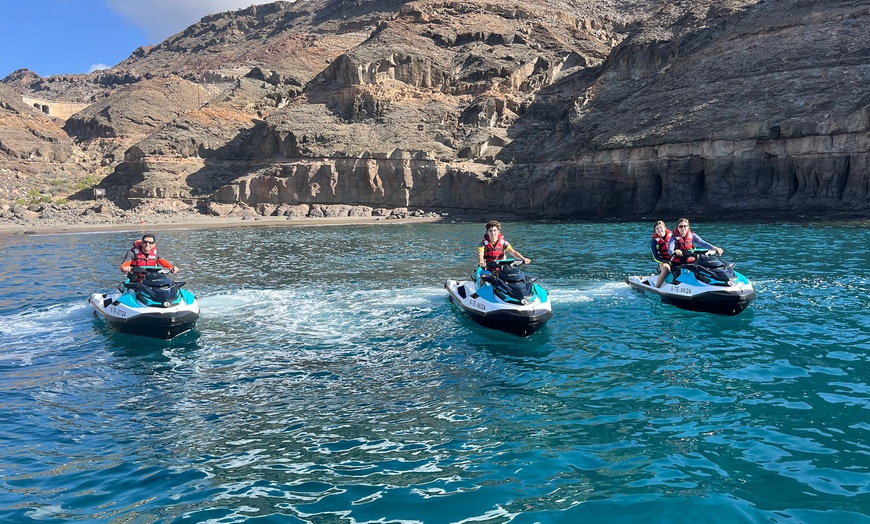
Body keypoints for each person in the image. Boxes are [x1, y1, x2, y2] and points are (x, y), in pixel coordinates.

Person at [649, 220, 672, 288]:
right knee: (666, 269)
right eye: (657, 228)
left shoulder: (672, 238)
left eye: (661, 227)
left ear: (665, 228)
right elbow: (655, 257)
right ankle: (657, 287)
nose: (659, 230)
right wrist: (666, 261)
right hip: (662, 262)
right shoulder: (654, 242)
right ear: (655, 231)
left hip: (675, 259)